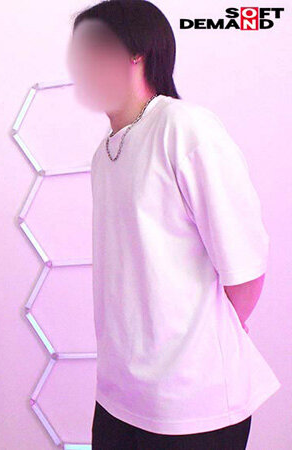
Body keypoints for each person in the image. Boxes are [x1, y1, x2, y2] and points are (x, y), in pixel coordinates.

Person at [66, 1, 280, 448]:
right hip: (118, 397)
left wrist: (201, 340)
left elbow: (246, 266)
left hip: (192, 407)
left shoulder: (184, 127)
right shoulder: (105, 152)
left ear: (136, 52)